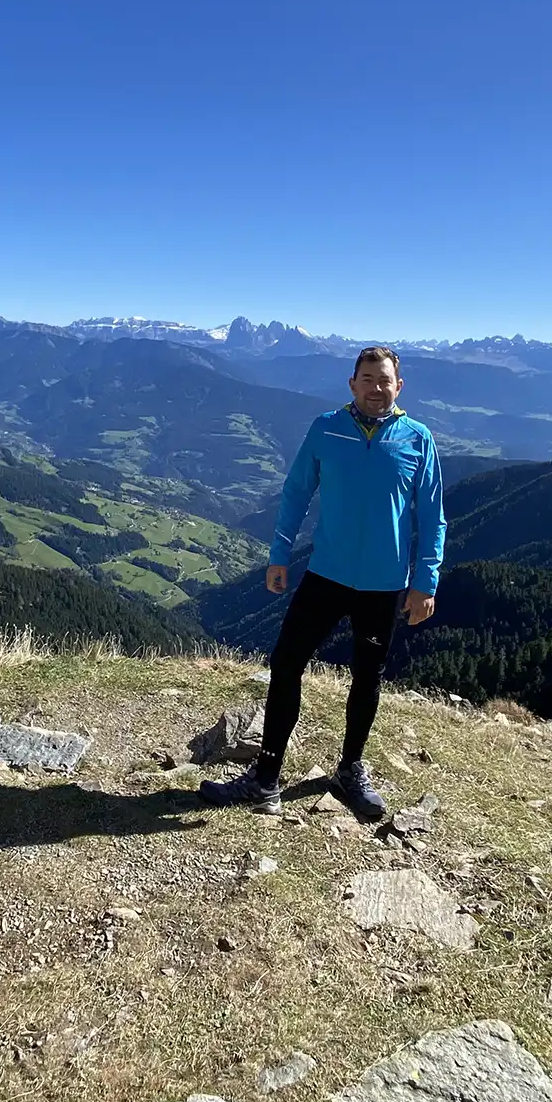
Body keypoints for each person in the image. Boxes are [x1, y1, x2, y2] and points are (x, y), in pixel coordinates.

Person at [200, 345, 444, 821]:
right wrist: (279, 557)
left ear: (400, 386)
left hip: (383, 584)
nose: (377, 388)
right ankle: (265, 779)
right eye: (368, 379)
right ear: (352, 384)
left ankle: (350, 769)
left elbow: (433, 517)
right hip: (325, 574)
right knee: (286, 663)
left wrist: (425, 582)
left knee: (366, 678)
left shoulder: (418, 439)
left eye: (385, 380)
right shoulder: (326, 429)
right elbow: (295, 493)